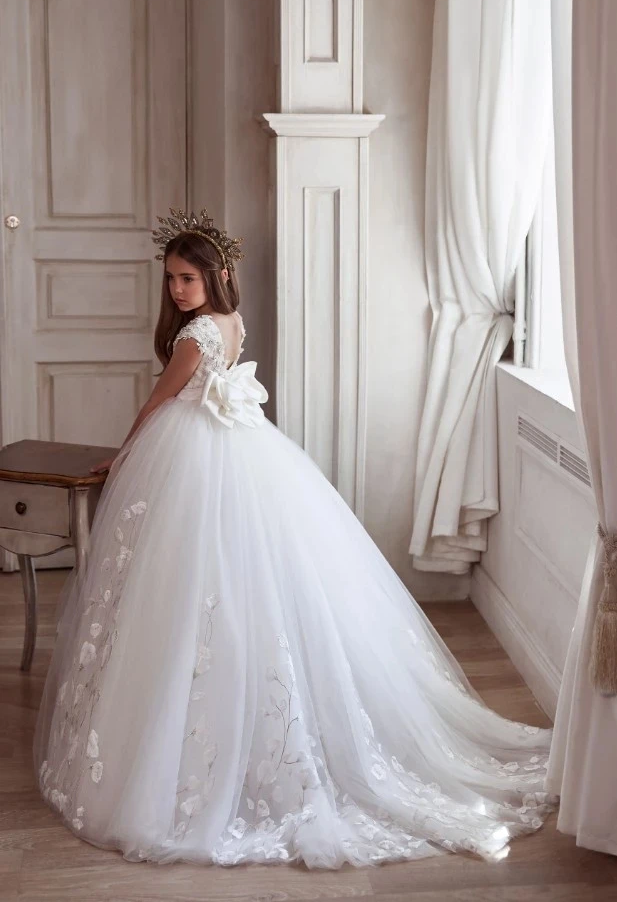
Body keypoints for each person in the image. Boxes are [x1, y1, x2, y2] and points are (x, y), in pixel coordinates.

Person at [32, 208, 558, 869]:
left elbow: (162, 399)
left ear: (214, 276)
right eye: (169, 279)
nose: (176, 289)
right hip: (239, 448)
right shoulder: (230, 321)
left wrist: (121, 452)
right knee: (235, 577)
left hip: (198, 452)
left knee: (195, 576)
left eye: (187, 278)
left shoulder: (196, 333)